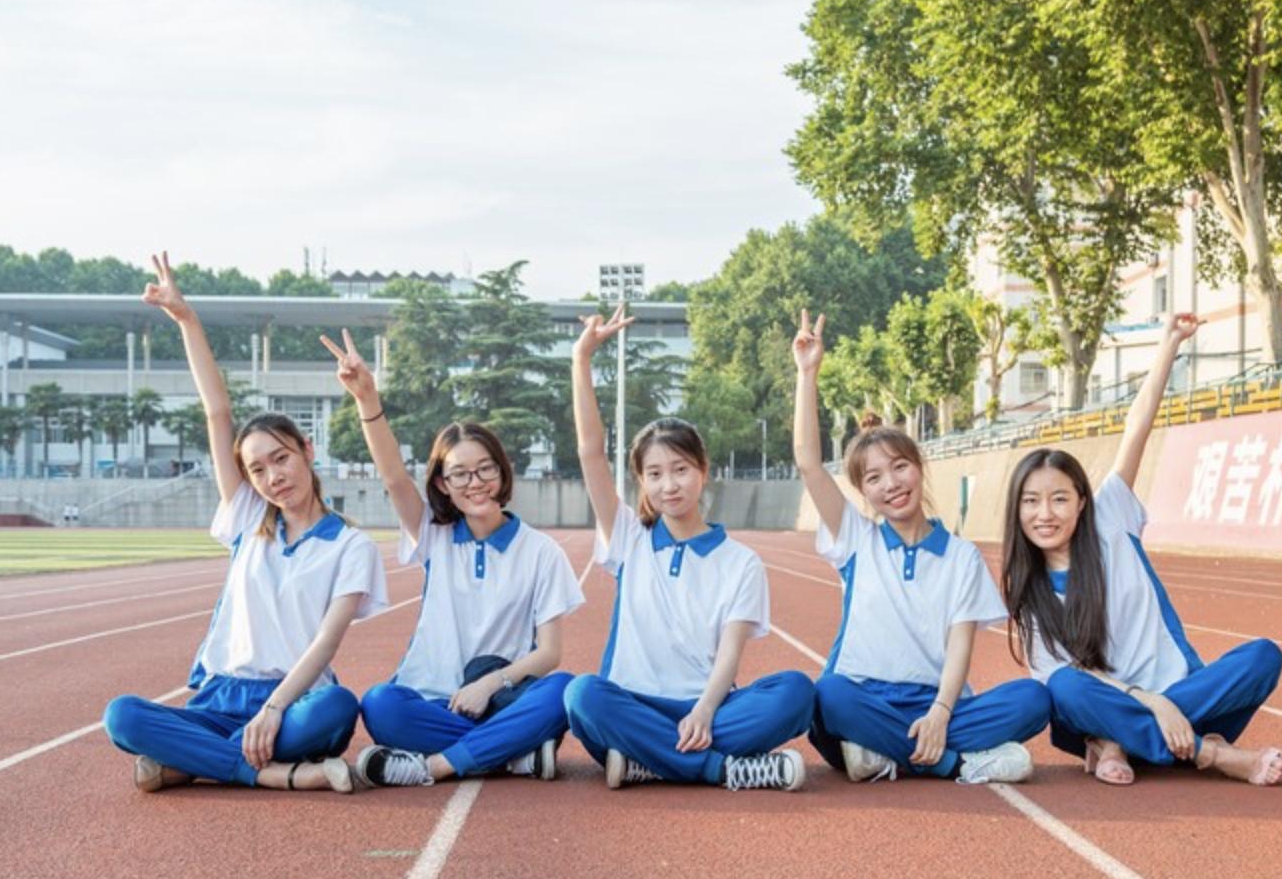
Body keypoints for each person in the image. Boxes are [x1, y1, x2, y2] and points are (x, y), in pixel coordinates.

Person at [102, 254, 386, 793]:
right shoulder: (248, 517)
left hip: (296, 699)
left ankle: (191, 764)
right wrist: (187, 320)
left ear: (307, 450)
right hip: (219, 699)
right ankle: (274, 775)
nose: (273, 476)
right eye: (257, 468)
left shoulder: (351, 546)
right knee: (123, 717)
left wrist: (276, 708)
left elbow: (325, 645)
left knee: (338, 709)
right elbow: (217, 412)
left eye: (280, 458)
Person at [1002, 313, 1282, 787]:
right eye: (1031, 502)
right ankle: (1209, 753)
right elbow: (1071, 679)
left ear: (1081, 501)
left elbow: (1138, 425)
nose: (1045, 514)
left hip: (1181, 690)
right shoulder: (1030, 594)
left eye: (1059, 499)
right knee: (1064, 687)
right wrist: (1150, 703)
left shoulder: (1112, 516)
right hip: (1108, 701)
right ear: (1017, 511)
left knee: (1263, 656)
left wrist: (1168, 346)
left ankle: (1120, 744)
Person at [791, 309, 1049, 784]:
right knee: (826, 697)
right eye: (874, 478)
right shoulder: (856, 541)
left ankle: (883, 756)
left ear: (919, 467)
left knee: (1035, 700)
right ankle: (958, 764)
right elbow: (808, 463)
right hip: (862, 698)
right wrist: (808, 375)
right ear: (863, 491)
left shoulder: (960, 556)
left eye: (899, 468)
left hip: (936, 700)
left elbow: (960, 648)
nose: (891, 484)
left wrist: (940, 712)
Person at [563, 306, 814, 791]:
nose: (669, 485)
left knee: (799, 692)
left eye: (680, 469)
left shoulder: (739, 562)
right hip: (631, 704)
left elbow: (730, 655)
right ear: (641, 482)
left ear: (704, 470)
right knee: (582, 696)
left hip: (709, 709)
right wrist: (581, 361)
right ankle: (721, 769)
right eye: (654, 475)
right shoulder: (629, 539)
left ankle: (647, 761)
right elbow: (590, 452)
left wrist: (703, 709)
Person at [323, 330, 584, 788]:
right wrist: (367, 398)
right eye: (459, 473)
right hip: (431, 699)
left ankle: (437, 765)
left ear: (502, 472)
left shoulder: (541, 552)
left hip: (502, 696)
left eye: (485, 468)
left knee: (563, 691)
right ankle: (508, 755)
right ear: (442, 484)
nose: (475, 482)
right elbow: (392, 474)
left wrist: (490, 684)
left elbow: (549, 653)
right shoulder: (434, 535)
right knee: (381, 704)